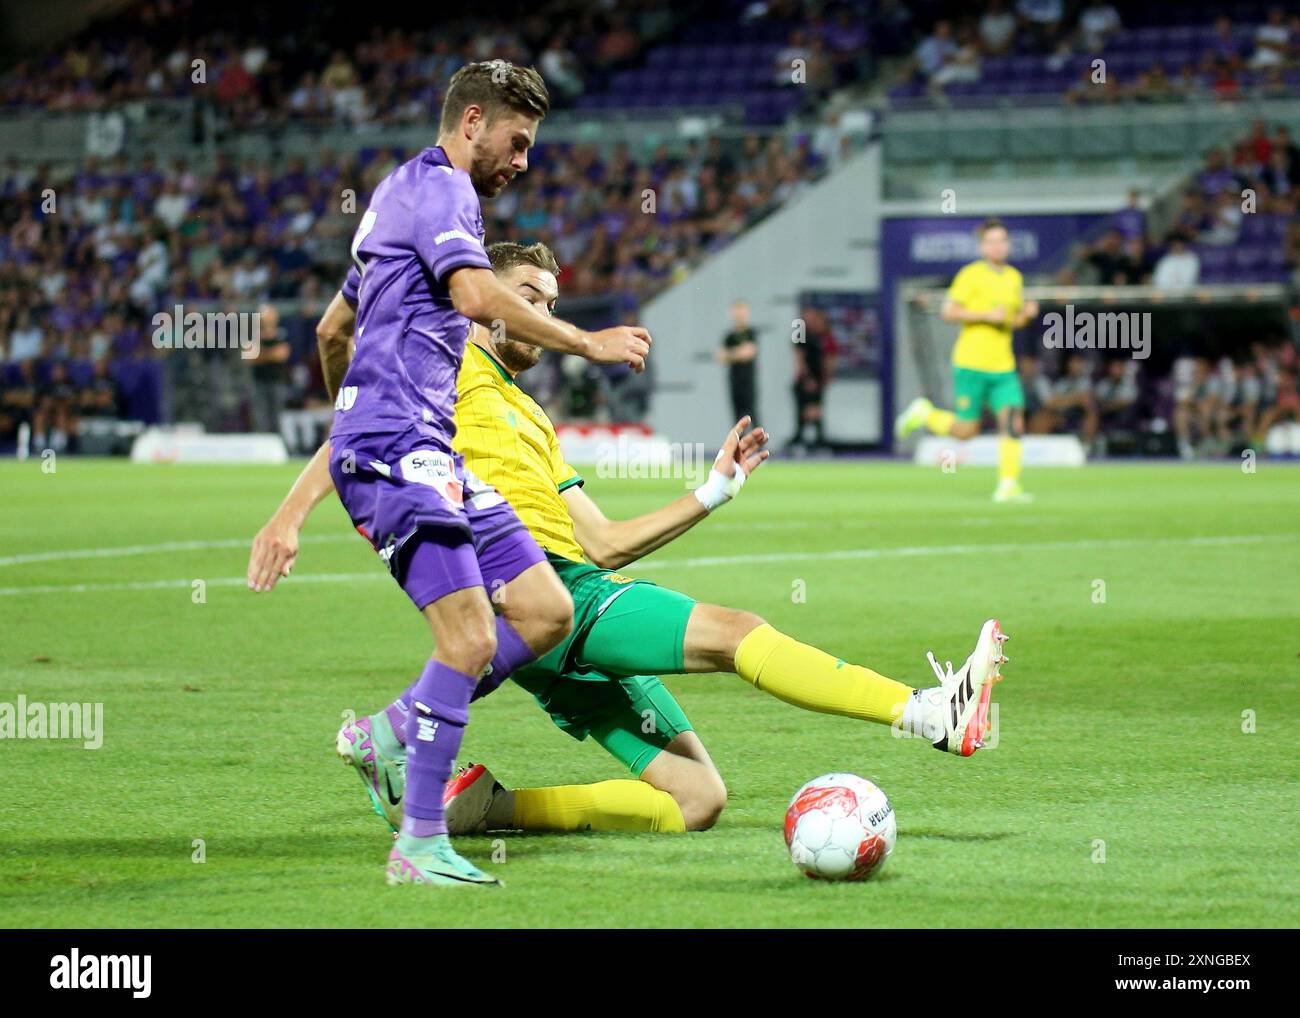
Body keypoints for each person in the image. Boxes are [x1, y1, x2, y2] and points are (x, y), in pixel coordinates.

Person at [249, 240, 1009, 837]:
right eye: (528, 298)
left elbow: (606, 542)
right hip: (528, 591)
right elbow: (358, 425)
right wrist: (288, 517)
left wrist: (712, 493)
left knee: (696, 798)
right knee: (735, 632)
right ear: (482, 303)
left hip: (558, 602)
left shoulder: (535, 420)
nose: (546, 314)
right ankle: (930, 715)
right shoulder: (444, 365)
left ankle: (486, 811)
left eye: (554, 300)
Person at [248, 62, 650, 889]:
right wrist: (587, 342)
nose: (522, 161)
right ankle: (420, 843)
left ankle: (390, 731)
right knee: (467, 641)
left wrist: (347, 429)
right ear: (473, 122)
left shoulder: (394, 201)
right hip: (404, 453)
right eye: (517, 141)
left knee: (543, 609)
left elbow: (333, 332)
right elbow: (472, 294)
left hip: (428, 453)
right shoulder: (443, 193)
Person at [895, 218, 1039, 502]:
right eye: (993, 241)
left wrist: (1026, 315)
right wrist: (986, 315)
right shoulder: (971, 275)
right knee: (966, 431)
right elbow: (948, 312)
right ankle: (924, 414)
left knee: (1013, 422)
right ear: (983, 246)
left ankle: (1008, 485)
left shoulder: (1014, 278)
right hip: (971, 363)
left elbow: (1012, 320)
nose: (999, 246)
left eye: (1003, 240)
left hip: (1003, 367)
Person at [789, 305, 834, 452]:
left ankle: (818, 441)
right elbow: (799, 356)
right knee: (804, 411)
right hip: (806, 380)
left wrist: (823, 378)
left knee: (815, 410)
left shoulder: (819, 334)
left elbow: (827, 358)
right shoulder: (800, 332)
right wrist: (806, 377)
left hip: (817, 380)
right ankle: (801, 441)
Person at [716, 298, 758, 425]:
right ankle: (738, 442)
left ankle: (758, 443)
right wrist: (738, 352)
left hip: (748, 380)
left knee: (752, 412)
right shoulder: (729, 336)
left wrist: (731, 354)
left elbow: (748, 353)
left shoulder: (750, 333)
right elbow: (721, 357)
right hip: (734, 379)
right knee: (737, 416)